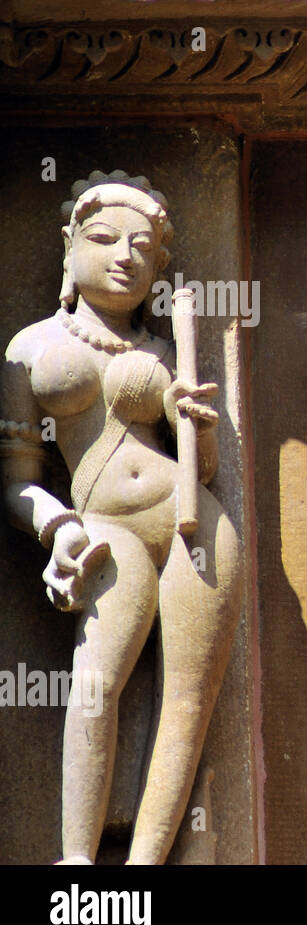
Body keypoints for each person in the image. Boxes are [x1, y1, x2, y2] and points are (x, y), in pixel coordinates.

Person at [1, 171, 242, 864]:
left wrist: (191, 419)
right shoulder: (30, 348)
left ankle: (144, 870)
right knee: (97, 679)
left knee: (189, 697)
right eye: (104, 239)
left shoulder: (161, 353)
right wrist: (56, 526)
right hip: (103, 526)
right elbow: (15, 481)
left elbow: (198, 472)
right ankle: (77, 863)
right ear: (69, 250)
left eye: (143, 247)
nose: (125, 255)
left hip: (198, 524)